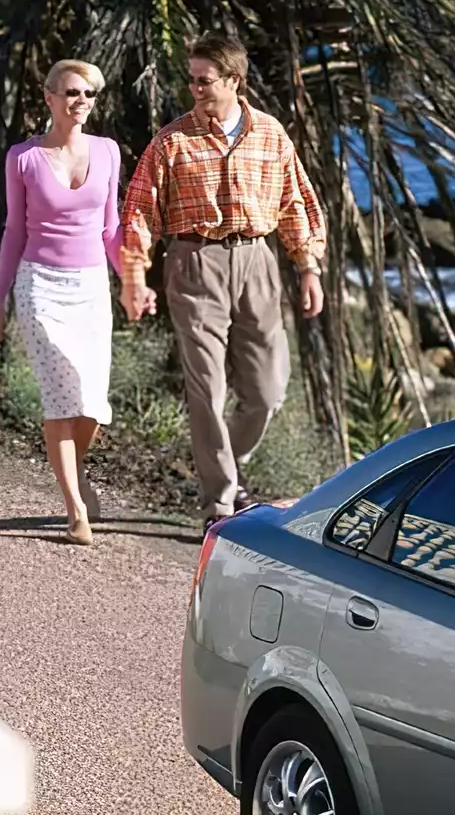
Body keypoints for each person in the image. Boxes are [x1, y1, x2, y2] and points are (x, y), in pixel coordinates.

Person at [118, 32, 328, 526]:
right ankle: (219, 504)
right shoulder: (172, 141)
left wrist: (309, 268)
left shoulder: (271, 134)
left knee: (268, 391)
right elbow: (139, 212)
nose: (194, 88)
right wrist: (134, 276)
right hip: (195, 263)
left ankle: (223, 464)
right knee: (207, 389)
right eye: (191, 80)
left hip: (257, 262)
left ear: (234, 80)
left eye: (204, 80)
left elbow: (296, 202)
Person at [0, 58, 126, 546]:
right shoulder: (23, 158)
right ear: (49, 98)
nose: (81, 101)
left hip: (91, 287)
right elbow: (14, 232)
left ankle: (74, 470)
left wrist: (132, 280)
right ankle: (74, 510)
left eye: (88, 94)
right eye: (71, 92)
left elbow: (111, 228)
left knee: (92, 403)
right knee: (61, 395)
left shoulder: (107, 151)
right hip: (39, 285)